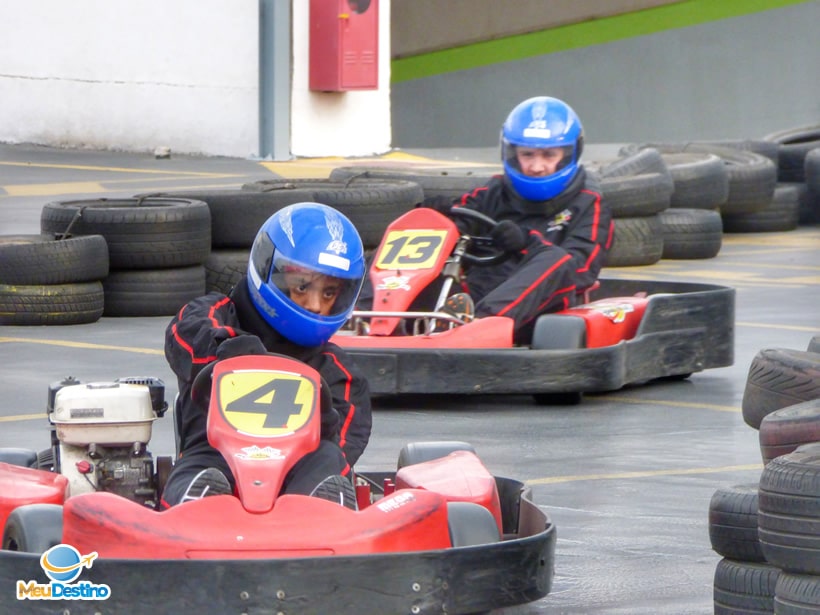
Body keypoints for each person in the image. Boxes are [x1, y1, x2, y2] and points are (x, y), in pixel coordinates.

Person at [160, 202, 371, 510]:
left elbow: (343, 446)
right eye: (303, 287)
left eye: (328, 293)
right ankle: (197, 509)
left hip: (295, 474)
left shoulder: (339, 372)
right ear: (267, 268)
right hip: (214, 453)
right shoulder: (216, 316)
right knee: (205, 463)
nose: (314, 305)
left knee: (327, 460)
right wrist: (231, 351)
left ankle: (320, 519)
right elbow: (186, 334)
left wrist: (322, 422)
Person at [435, 96, 614, 344]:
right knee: (420, 232)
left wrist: (527, 244)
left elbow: (580, 270)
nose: (536, 166)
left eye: (548, 155)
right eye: (527, 154)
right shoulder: (493, 192)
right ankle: (370, 319)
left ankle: (480, 328)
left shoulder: (589, 203)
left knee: (557, 260)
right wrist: (437, 219)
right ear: (511, 153)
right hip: (471, 301)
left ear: (568, 154)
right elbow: (452, 226)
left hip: (544, 312)